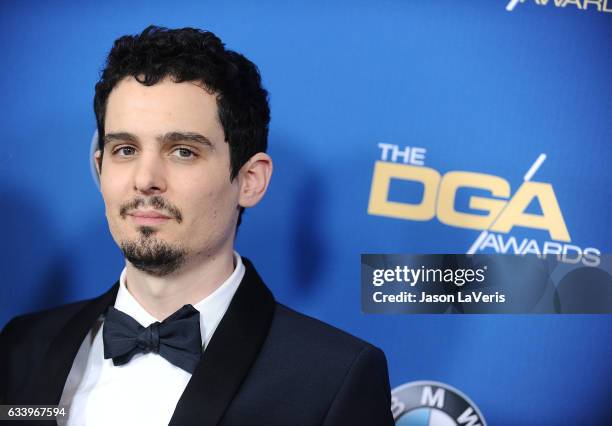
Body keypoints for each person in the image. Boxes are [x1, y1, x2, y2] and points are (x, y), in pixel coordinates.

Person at [0, 25, 393, 426]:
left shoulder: (331, 379)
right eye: (125, 150)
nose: (145, 178)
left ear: (250, 180)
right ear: (100, 168)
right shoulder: (22, 348)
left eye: (183, 151)